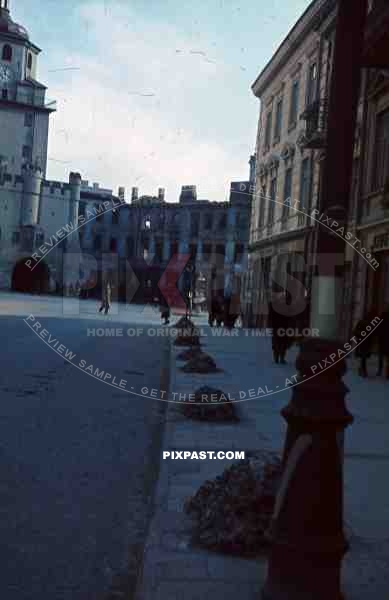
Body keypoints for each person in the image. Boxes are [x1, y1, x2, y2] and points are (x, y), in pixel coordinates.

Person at [268, 290, 295, 364]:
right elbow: (271, 316)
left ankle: (279, 358)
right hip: (279, 326)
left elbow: (291, 316)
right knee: (279, 342)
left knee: (281, 342)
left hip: (282, 326)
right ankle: (278, 358)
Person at [353, 311, 376, 377]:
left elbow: (355, 331)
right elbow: (372, 335)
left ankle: (363, 370)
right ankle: (363, 370)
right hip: (366, 343)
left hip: (362, 342)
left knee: (363, 357)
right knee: (363, 357)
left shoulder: (361, 322)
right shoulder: (370, 324)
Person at [377, 306, 389, 378]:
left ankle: (380, 370)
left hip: (382, 339)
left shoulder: (382, 316)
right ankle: (386, 372)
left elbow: (378, 327)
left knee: (381, 356)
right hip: (385, 339)